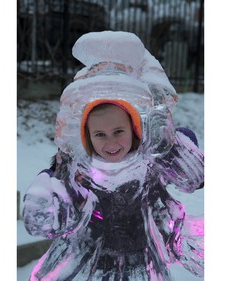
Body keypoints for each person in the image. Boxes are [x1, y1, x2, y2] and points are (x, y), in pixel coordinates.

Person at [23, 31, 204, 281]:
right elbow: (52, 216)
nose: (111, 143)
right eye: (100, 134)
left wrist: (171, 144)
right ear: (86, 136)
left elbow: (195, 178)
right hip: (90, 262)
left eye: (119, 131)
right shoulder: (78, 171)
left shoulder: (150, 161)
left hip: (143, 261)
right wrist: (44, 199)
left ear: (135, 129)